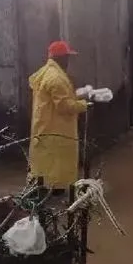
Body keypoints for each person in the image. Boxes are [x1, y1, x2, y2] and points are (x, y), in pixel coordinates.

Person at [28, 41, 88, 192]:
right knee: (57, 163)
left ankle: (43, 188)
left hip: (45, 124)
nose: (68, 61)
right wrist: (84, 105)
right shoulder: (57, 78)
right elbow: (64, 106)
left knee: (44, 162)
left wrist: (77, 95)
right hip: (57, 128)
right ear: (61, 58)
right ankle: (55, 189)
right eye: (67, 57)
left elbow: (59, 97)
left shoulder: (46, 72)